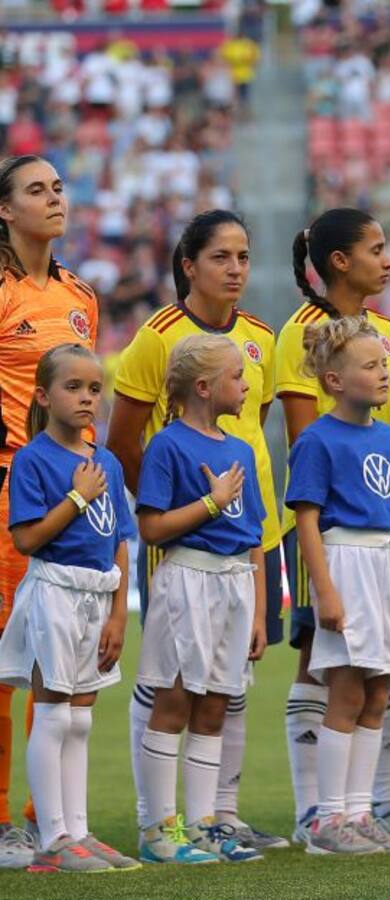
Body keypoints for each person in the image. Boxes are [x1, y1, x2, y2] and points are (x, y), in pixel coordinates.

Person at [107, 209, 286, 851]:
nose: (236, 269)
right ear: (189, 265)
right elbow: (125, 442)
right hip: (186, 549)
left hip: (246, 541)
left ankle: (218, 817)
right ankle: (157, 820)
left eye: (243, 256)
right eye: (221, 257)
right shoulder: (157, 338)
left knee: (227, 684)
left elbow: (251, 433)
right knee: (170, 683)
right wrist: (188, 510)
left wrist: (242, 530)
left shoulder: (261, 336)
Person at [278, 209, 390, 843]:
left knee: (374, 682)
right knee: (326, 671)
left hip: (386, 552)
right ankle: (321, 812)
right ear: (340, 260)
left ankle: (368, 808)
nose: (388, 258)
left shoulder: (388, 332)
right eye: (376, 248)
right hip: (336, 544)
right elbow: (306, 448)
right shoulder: (305, 333)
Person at [0, 345, 136, 872]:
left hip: (96, 597)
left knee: (80, 720)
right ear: (43, 395)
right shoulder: (34, 458)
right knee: (53, 712)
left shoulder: (106, 461)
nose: (86, 398)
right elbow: (28, 539)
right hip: (54, 592)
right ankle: (52, 837)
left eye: (94, 388)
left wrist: (119, 613)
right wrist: (76, 499)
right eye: (73, 387)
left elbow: (120, 540)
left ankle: (79, 830)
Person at [134, 334, 268, 864]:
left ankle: (206, 823)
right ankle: (159, 829)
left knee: (215, 706)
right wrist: (210, 506)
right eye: (237, 376)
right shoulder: (168, 444)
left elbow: (253, 534)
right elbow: (151, 527)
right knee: (174, 701)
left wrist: (258, 610)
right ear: (205, 387)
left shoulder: (239, 449)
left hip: (234, 585)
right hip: (186, 580)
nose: (246, 384)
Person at [0, 155, 99, 854]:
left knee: (61, 670)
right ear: (5, 211)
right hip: (11, 491)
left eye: (59, 187)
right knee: (4, 667)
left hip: (80, 498)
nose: (54, 198)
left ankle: (48, 818)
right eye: (37, 190)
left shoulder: (80, 295)